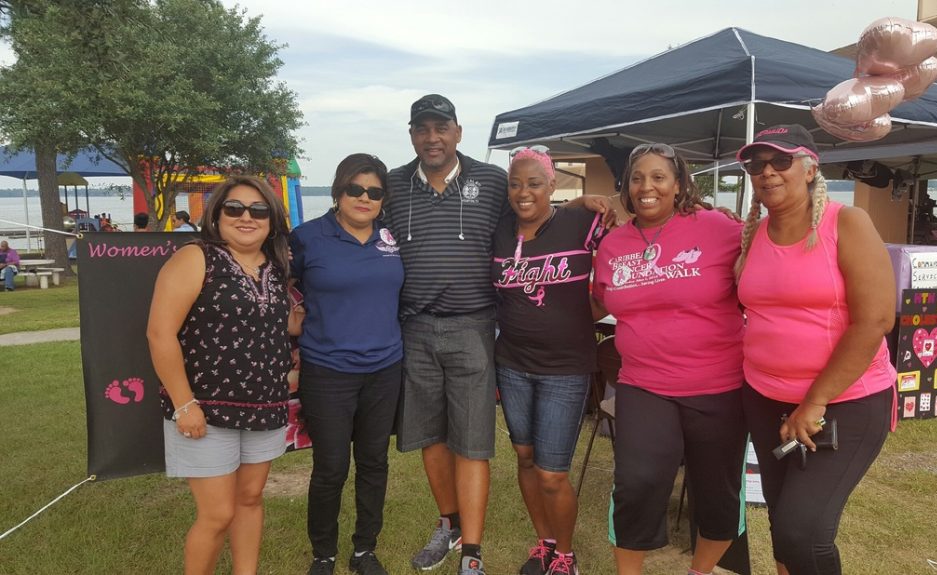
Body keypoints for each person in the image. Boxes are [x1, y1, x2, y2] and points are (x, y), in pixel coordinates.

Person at [384, 94, 614, 575]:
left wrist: (587, 204)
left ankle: (476, 551)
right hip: (421, 329)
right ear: (411, 134)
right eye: (422, 128)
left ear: (457, 132)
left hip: (477, 327)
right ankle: (451, 526)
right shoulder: (392, 187)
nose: (432, 137)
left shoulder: (489, 180)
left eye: (440, 127)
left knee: (475, 442)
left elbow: (542, 206)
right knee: (438, 439)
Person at [734, 124, 896, 575]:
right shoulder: (753, 234)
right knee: (784, 523)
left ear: (809, 168)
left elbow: (876, 320)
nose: (767, 172)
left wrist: (815, 401)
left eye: (780, 161)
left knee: (804, 529)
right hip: (765, 398)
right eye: (756, 164)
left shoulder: (847, 223)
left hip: (845, 402)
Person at [591, 143, 747, 575]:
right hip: (645, 386)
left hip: (720, 387)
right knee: (636, 484)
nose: (647, 187)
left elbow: (764, 270)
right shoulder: (613, 245)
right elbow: (598, 301)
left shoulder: (720, 228)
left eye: (659, 177)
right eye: (637, 178)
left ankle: (701, 572)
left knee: (717, 493)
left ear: (678, 184)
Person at [147, 175, 294, 575]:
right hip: (205, 410)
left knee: (250, 499)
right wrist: (183, 403)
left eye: (258, 210)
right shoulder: (196, 258)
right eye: (235, 208)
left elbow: (279, 325)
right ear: (217, 214)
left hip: (264, 405)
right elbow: (160, 334)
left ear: (272, 219)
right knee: (217, 514)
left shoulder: (276, 266)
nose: (247, 217)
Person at [492, 147, 611, 575]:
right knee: (525, 458)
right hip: (512, 362)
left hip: (565, 368)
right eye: (516, 183)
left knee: (551, 473)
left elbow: (628, 252)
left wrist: (599, 303)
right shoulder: (499, 230)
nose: (524, 192)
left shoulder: (582, 222)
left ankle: (565, 555)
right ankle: (543, 542)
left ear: (552, 186)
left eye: (534, 183)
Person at [290, 154, 404, 575]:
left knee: (374, 462)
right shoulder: (306, 238)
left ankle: (364, 550)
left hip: (385, 368)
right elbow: (275, 280)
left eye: (374, 192)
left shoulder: (392, 238)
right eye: (355, 188)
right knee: (331, 467)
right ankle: (324, 554)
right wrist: (291, 322)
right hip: (327, 371)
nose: (364, 197)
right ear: (338, 190)